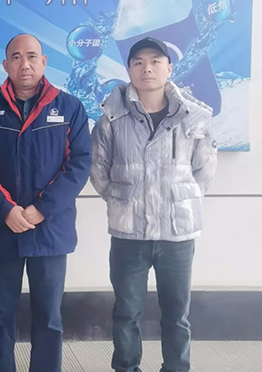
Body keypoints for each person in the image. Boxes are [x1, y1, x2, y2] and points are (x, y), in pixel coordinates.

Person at [0, 34, 92, 372]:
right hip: (1, 228)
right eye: (16, 57)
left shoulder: (70, 108)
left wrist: (41, 209)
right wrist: (6, 209)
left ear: (44, 62)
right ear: (6, 65)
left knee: (48, 317)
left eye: (32, 56)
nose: (25, 64)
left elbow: (79, 165)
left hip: (50, 231)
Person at [90, 37, 218, 372]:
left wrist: (178, 202)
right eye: (138, 62)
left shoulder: (193, 116)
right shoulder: (111, 118)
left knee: (177, 315)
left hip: (177, 235)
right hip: (128, 235)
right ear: (129, 69)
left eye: (155, 61)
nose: (147, 68)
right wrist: (126, 201)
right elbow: (98, 171)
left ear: (169, 68)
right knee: (126, 313)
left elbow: (204, 171)